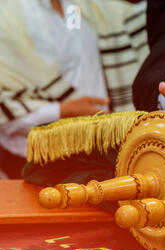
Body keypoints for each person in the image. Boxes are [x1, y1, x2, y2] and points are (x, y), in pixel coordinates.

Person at [0, 0, 148, 179]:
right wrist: (62, 111)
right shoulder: (7, 17)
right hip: (39, 159)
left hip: (107, 148)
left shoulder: (86, 6)